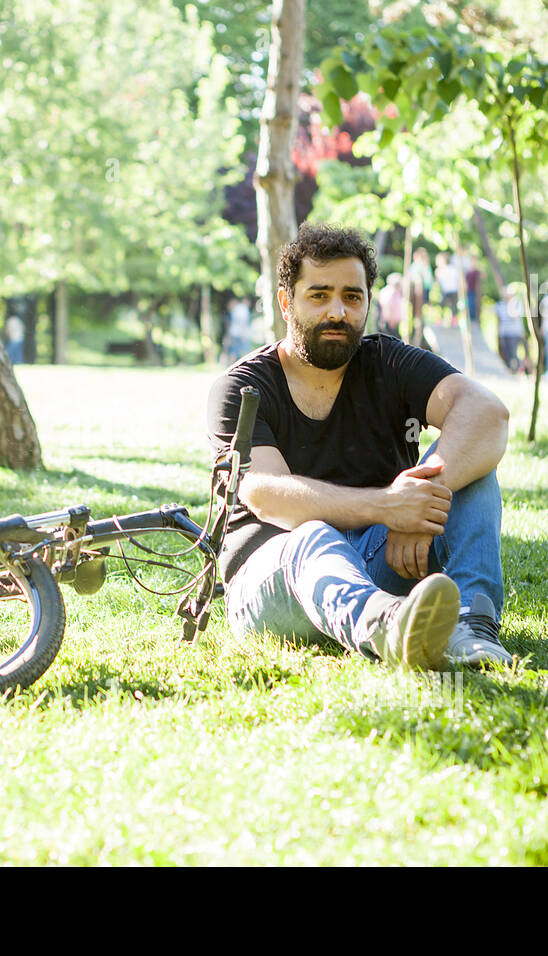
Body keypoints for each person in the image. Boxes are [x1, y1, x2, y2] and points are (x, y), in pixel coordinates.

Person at [207, 223, 513, 671]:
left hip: (379, 557)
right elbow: (268, 495)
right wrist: (388, 507)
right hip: (274, 575)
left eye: (352, 297)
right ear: (286, 302)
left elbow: (487, 415)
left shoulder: (389, 361)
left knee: (472, 470)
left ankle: (470, 627)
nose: (338, 311)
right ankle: (388, 628)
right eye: (319, 295)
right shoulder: (242, 388)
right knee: (312, 534)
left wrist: (421, 502)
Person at [495, 286, 526, 373]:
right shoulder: (500, 305)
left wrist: (511, 304)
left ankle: (517, 369)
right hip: (504, 332)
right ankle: (511, 369)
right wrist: (499, 333)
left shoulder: (517, 304)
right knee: (507, 352)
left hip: (515, 332)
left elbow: (514, 316)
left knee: (514, 352)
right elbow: (499, 320)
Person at [435, 252, 462, 326]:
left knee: (452, 305)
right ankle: (441, 318)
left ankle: (453, 319)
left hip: (452, 289)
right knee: (443, 304)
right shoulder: (443, 269)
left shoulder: (451, 269)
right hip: (446, 290)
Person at [223, 297, 253, 364]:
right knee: (245, 352)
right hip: (240, 334)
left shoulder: (238, 308)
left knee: (234, 351)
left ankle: (230, 366)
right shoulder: (243, 309)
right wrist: (243, 334)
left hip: (234, 333)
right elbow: (242, 322)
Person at [375, 273, 405, 338]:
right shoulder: (390, 292)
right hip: (390, 323)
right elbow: (387, 307)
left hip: (392, 323)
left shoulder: (395, 292)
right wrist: (391, 321)